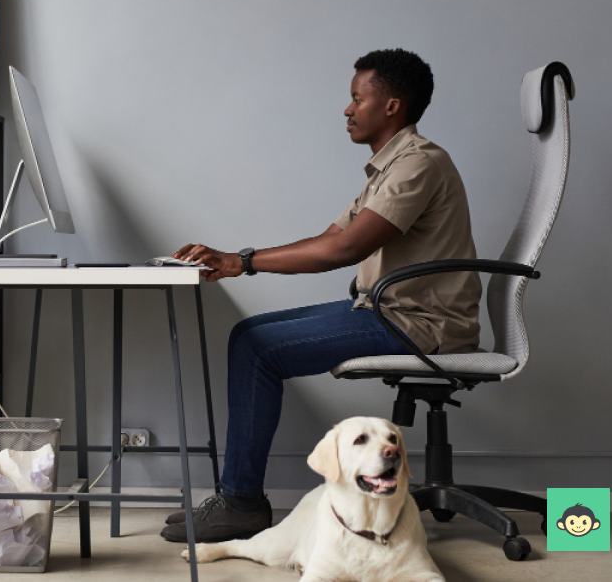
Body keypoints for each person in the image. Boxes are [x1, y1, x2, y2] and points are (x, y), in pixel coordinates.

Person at [161, 48, 482, 543]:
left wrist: (241, 262)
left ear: (392, 106)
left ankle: (242, 505)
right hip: (388, 309)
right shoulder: (388, 168)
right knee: (248, 333)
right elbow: (327, 239)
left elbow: (345, 248)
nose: (348, 109)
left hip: (418, 323)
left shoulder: (418, 164)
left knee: (256, 350)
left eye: (358, 98)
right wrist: (234, 261)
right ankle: (236, 498)